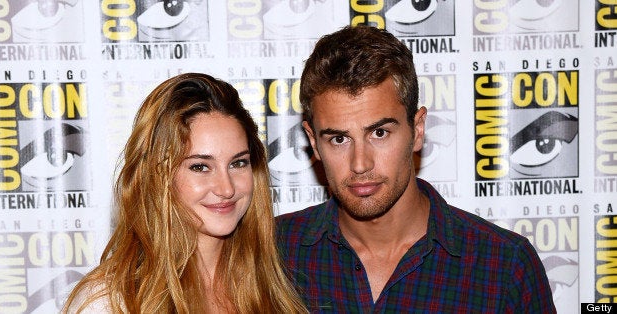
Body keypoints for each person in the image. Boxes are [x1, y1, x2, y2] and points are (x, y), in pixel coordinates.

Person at [276, 26, 556, 313]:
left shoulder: (504, 266)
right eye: (339, 139)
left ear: (418, 129)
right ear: (313, 140)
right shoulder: (273, 253)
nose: (360, 163)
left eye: (380, 133)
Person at [63, 73, 308, 313]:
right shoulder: (110, 301)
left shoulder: (278, 288)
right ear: (158, 177)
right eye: (200, 167)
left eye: (238, 163)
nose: (227, 188)